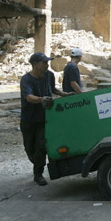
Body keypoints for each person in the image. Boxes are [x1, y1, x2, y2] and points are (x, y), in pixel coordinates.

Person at [20, 52, 71, 186]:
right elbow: (29, 97)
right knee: (30, 149)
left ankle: (38, 174)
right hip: (29, 119)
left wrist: (64, 94)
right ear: (35, 65)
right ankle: (36, 162)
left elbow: (53, 89)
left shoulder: (49, 75)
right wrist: (41, 99)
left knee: (41, 147)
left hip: (45, 118)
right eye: (44, 63)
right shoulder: (26, 80)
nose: (47, 65)